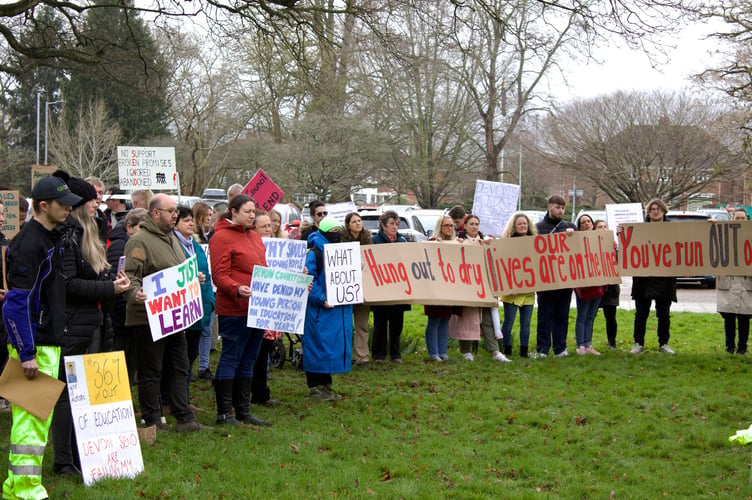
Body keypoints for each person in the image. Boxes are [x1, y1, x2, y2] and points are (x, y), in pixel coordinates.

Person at [2, 176, 81, 498]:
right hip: (36, 343)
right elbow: (16, 304)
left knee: (36, 418)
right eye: (63, 204)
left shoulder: (50, 237)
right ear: (44, 205)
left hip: (46, 340)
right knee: (30, 420)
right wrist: (26, 352)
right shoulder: (30, 244)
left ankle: (19, 486)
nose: (69, 208)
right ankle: (23, 489)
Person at [52, 173, 130, 478]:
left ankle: (84, 453)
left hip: (94, 322)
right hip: (74, 326)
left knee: (87, 396)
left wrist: (112, 282)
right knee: (67, 396)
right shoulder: (69, 237)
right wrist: (110, 289)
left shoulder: (90, 233)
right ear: (80, 204)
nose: (98, 204)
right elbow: (70, 285)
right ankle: (63, 459)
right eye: (93, 199)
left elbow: (93, 277)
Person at [124, 194, 209, 432]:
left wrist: (194, 277)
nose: (175, 215)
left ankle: (184, 417)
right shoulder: (139, 241)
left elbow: (178, 271)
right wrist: (134, 293)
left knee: (180, 366)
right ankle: (152, 419)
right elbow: (129, 276)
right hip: (149, 318)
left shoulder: (172, 238)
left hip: (175, 318)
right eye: (170, 211)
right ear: (155, 213)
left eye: (175, 211)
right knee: (151, 370)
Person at [209, 194, 270, 426]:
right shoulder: (222, 237)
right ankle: (225, 412)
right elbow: (219, 274)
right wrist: (237, 288)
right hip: (235, 307)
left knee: (249, 358)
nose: (252, 215)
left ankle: (243, 410)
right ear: (233, 212)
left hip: (257, 308)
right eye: (247, 211)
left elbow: (263, 269)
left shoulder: (254, 236)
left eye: (254, 211)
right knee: (231, 356)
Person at [304, 216, 353, 399]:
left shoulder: (339, 251)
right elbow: (309, 279)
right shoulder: (314, 253)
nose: (336, 235)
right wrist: (320, 298)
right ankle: (315, 386)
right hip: (320, 309)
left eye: (338, 231)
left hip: (336, 309)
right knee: (319, 345)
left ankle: (325, 384)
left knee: (330, 346)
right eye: (333, 232)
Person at [173, 206, 214, 407]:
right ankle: (174, 400)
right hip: (182, 311)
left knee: (190, 356)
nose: (190, 223)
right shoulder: (173, 245)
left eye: (191, 220)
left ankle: (183, 398)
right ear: (175, 223)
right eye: (185, 220)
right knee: (179, 360)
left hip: (199, 308)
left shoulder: (195, 245)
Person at [457, 214, 509, 362]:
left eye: (477, 224)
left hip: (483, 286)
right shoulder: (460, 241)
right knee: (468, 319)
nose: (474, 227)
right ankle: (466, 350)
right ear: (465, 226)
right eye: (471, 224)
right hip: (467, 287)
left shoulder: (485, 242)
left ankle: (495, 351)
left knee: (487, 319)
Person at [630, 198, 677, 354]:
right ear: (648, 212)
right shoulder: (639, 229)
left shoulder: (674, 229)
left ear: (664, 211)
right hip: (643, 278)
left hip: (664, 278)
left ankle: (663, 343)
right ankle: (638, 343)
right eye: (652, 209)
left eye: (658, 209)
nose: (655, 212)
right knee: (641, 313)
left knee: (663, 314)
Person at [108, 208, 148, 384]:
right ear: (129, 227)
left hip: (132, 309)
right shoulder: (119, 245)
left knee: (132, 357)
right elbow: (119, 276)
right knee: (120, 356)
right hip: (121, 311)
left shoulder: (138, 244)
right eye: (141, 226)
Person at [534, 195, 576, 358]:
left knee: (562, 315)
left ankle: (560, 348)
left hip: (565, 279)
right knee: (544, 316)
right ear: (549, 207)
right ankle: (542, 348)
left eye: (563, 208)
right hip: (545, 280)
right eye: (558, 207)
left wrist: (574, 236)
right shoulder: (538, 228)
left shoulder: (570, 227)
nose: (561, 211)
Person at [250, 212, 281, 406]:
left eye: (270, 225)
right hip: (257, 306)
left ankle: (261, 391)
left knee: (265, 350)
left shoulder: (281, 247)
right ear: (254, 229)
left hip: (274, 307)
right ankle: (257, 392)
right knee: (257, 352)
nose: (269, 229)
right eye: (264, 226)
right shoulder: (251, 248)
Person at [371, 210, 409, 363]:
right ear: (383, 225)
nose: (395, 227)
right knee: (380, 322)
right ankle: (378, 354)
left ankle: (395, 354)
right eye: (391, 224)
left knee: (396, 324)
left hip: (398, 289)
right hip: (381, 288)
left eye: (396, 224)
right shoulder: (374, 241)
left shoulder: (402, 241)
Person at [500, 212, 538, 358]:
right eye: (520, 223)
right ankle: (506, 349)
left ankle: (524, 351)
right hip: (512, 290)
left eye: (525, 223)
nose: (523, 226)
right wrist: (510, 286)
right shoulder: (507, 243)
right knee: (509, 322)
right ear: (514, 226)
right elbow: (504, 266)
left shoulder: (534, 242)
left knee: (526, 323)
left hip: (528, 290)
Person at [716, 208, 750, 355]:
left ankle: (742, 347)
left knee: (744, 317)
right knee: (728, 317)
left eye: (743, 218)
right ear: (732, 219)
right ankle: (729, 346)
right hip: (728, 282)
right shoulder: (724, 236)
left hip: (746, 283)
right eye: (737, 218)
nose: (740, 221)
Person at [341, 212, 373, 366]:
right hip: (346, 289)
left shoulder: (368, 241)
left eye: (359, 221)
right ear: (348, 225)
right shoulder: (341, 242)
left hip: (363, 288)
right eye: (354, 221)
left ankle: (363, 356)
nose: (358, 223)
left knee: (362, 325)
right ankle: (344, 355)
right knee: (345, 325)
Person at [423, 216, 454, 361]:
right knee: (434, 319)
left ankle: (443, 351)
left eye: (451, 225)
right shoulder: (432, 242)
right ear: (439, 227)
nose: (449, 228)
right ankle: (433, 353)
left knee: (445, 319)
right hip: (434, 288)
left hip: (448, 287)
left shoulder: (454, 243)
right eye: (446, 225)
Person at [573, 214, 604, 356]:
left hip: (598, 283)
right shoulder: (576, 240)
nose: (586, 224)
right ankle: (580, 345)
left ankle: (588, 344)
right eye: (583, 222)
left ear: (592, 224)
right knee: (582, 315)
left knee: (591, 316)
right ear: (579, 226)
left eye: (588, 221)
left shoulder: (601, 240)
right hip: (583, 284)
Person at [192, 201, 215, 380]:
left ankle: (204, 366)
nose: (210, 218)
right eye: (207, 215)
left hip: (210, 287)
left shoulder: (213, 236)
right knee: (194, 331)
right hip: (196, 288)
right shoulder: (193, 239)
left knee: (206, 329)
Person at [594, 219, 620, 349]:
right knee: (590, 315)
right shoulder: (590, 245)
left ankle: (612, 342)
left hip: (610, 287)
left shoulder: (614, 246)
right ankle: (586, 342)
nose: (603, 229)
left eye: (605, 226)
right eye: (600, 227)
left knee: (611, 316)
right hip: (595, 286)